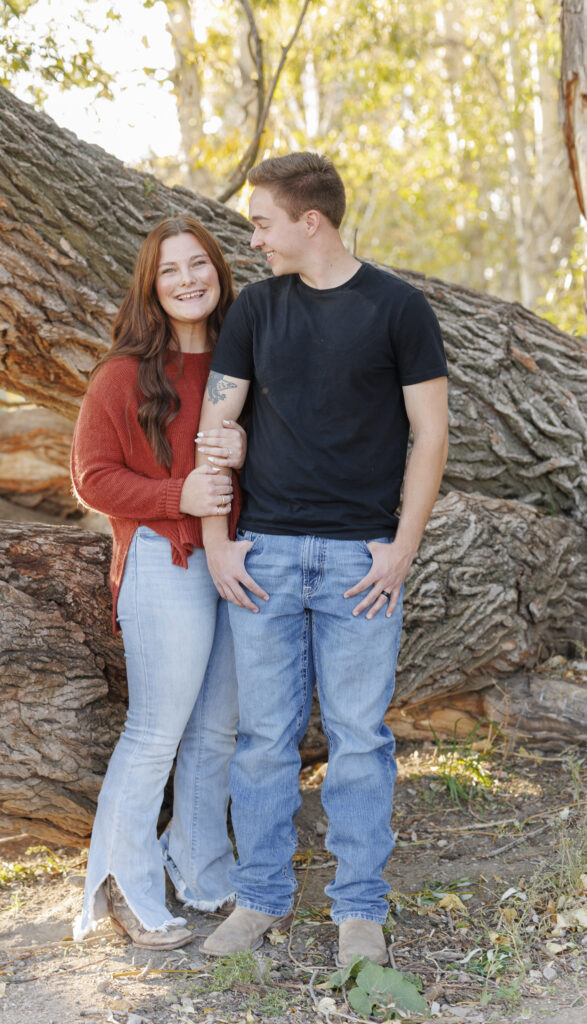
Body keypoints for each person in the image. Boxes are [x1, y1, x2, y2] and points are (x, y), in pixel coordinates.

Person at [195, 153, 449, 965]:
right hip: (263, 555)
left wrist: (401, 550)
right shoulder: (257, 311)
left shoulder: (398, 308)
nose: (255, 240)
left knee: (359, 740)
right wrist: (216, 540)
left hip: (359, 564)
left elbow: (431, 434)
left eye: (263, 222)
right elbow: (213, 432)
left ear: (311, 221)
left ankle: (358, 914)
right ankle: (260, 901)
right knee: (262, 740)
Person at [71, 217, 247, 950]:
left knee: (215, 733)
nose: (186, 280)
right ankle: (123, 884)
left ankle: (201, 868)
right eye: (169, 270)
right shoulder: (123, 375)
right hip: (162, 562)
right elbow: (91, 479)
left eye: (197, 264)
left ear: (217, 273)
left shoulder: (244, 365)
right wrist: (178, 496)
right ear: (151, 286)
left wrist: (247, 447)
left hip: (237, 561)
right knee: (154, 734)